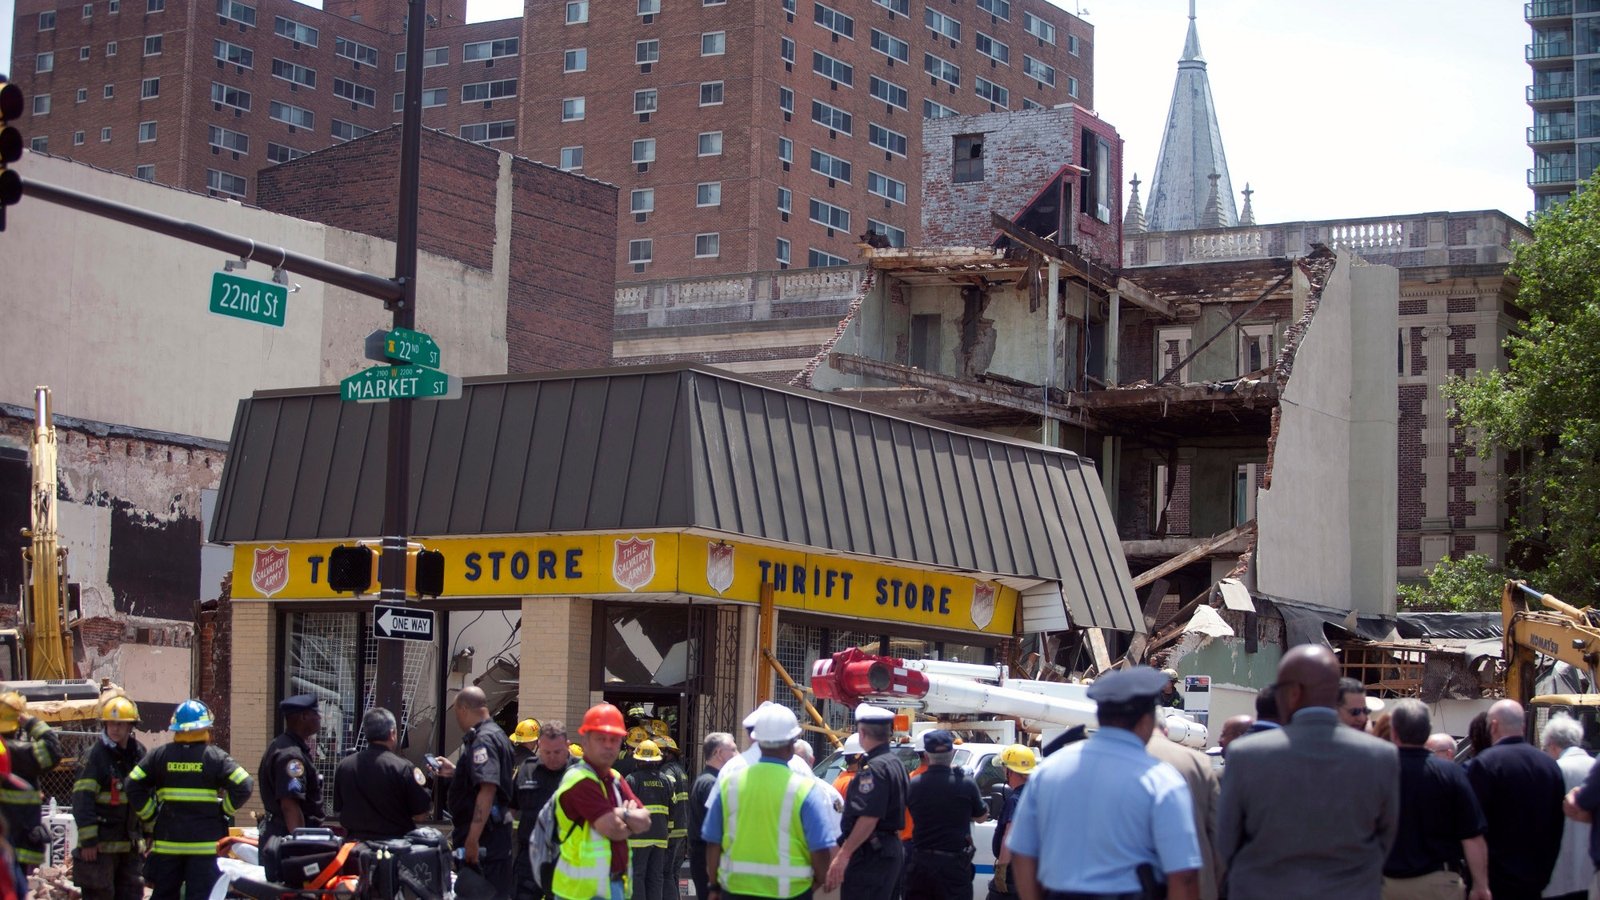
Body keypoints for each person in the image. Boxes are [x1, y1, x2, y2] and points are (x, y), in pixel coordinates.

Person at [1215, 645, 1398, 900]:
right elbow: (1385, 837)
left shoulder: (1246, 755)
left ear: (1293, 693)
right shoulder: (1380, 756)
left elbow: (1226, 841)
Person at [1006, 667, 1201, 900]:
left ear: (1099, 716)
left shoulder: (1048, 770)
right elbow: (1184, 876)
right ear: (1147, 720)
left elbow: (1021, 852)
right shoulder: (1162, 781)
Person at [702, 704, 838, 900]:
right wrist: (817, 882)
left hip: (736, 891)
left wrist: (714, 887)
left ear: (756, 739)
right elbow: (820, 848)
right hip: (791, 893)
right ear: (792, 744)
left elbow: (713, 842)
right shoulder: (805, 788)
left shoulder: (728, 783)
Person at [126, 699, 253, 900]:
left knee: (165, 896)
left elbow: (132, 784)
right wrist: (224, 811)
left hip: (168, 845)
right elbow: (244, 784)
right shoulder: (214, 757)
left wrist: (150, 814)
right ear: (205, 729)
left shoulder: (160, 756)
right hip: (205, 847)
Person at [1380, 699, 1489, 900]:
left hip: (1384, 883)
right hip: (1439, 884)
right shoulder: (1452, 773)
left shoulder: (1375, 772)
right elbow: (1472, 835)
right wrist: (1481, 885)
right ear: (1427, 732)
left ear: (1393, 732)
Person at [1467, 699, 1566, 899]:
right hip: (1536, 879)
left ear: (1493, 726)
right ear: (1523, 725)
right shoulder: (1549, 765)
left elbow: (1474, 827)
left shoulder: (1484, 765)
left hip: (1495, 881)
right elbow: (1557, 824)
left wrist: (1478, 880)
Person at [552, 703, 652, 900]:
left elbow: (646, 820)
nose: (608, 745)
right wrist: (625, 814)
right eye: (600, 739)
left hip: (612, 886)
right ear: (585, 741)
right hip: (579, 892)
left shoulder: (614, 777)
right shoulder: (579, 780)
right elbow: (613, 829)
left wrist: (618, 816)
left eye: (614, 740)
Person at [433, 686, 517, 897]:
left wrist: (472, 839)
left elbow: (487, 789)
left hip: (485, 840)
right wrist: (456, 772)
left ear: (463, 709)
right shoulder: (498, 736)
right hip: (493, 838)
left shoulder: (483, 740)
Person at [823, 704, 908, 900]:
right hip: (889, 851)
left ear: (862, 732)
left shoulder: (874, 769)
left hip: (871, 855)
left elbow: (869, 817)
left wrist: (843, 855)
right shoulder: (895, 764)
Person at [71, 694, 145, 900]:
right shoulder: (94, 756)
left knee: (131, 895)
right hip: (99, 848)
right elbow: (82, 800)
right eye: (111, 723)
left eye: (121, 724)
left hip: (129, 846)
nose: (115, 729)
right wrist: (88, 840)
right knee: (99, 894)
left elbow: (147, 796)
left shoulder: (138, 754)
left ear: (131, 726)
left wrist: (148, 833)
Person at [903, 730, 985, 900]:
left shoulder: (913, 784)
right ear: (953, 752)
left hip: (920, 864)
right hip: (954, 866)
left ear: (926, 754)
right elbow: (982, 816)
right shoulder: (966, 784)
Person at [1148, 714, 1219, 900]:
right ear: (1167, 731)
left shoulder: (1120, 758)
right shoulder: (1198, 762)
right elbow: (1217, 832)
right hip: (1195, 885)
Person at [332, 707, 431, 842]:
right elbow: (420, 814)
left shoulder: (344, 766)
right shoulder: (403, 768)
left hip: (354, 849)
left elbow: (338, 809)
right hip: (393, 850)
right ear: (392, 734)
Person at [0, 690, 62, 870]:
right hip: (20, 845)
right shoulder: (24, 753)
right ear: (17, 723)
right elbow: (53, 750)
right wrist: (32, 723)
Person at [512, 719, 572, 900]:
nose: (552, 757)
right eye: (546, 752)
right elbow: (511, 808)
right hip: (529, 859)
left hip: (566, 860)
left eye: (557, 752)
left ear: (568, 746)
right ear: (538, 745)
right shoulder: (527, 770)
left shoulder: (580, 772)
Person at [256, 693, 325, 840]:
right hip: (287, 842)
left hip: (281, 836)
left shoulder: (282, 745)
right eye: (316, 713)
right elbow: (290, 806)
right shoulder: (291, 757)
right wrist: (300, 843)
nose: (320, 717)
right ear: (304, 716)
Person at [1543, 714, 1595, 900]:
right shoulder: (1594, 766)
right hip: (1593, 869)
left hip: (1560, 868)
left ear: (1553, 745)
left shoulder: (1554, 770)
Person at [689, 733, 738, 900]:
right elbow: (718, 827)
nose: (737, 754)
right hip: (706, 857)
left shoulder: (708, 780)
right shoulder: (711, 783)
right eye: (733, 749)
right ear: (718, 753)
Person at [626, 740, 673, 900]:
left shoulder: (632, 780)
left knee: (637, 875)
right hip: (660, 837)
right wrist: (668, 832)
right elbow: (672, 809)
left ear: (637, 759)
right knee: (656, 877)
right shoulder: (665, 780)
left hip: (638, 837)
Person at [985, 745, 1033, 900]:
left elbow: (1009, 836)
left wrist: (1002, 871)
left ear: (1010, 771)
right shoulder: (1038, 796)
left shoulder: (1015, 800)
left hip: (1013, 876)